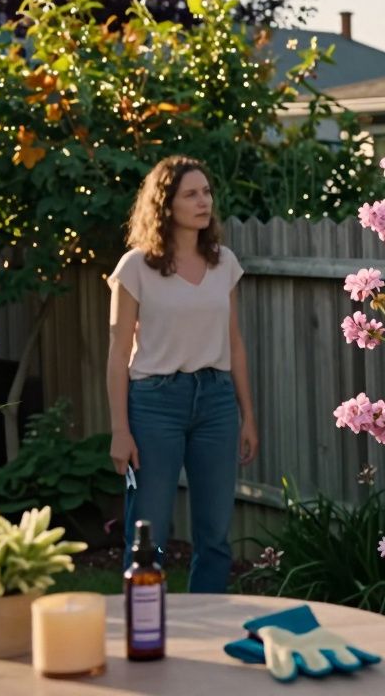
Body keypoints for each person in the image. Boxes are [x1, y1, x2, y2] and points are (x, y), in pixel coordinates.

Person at [106, 155, 259, 594]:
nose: (203, 201)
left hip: (215, 402)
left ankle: (205, 636)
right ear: (164, 204)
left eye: (207, 192)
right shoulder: (135, 267)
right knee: (147, 534)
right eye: (190, 194)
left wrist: (247, 414)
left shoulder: (223, 262)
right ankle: (144, 630)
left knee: (214, 535)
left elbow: (234, 344)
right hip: (154, 404)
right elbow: (118, 354)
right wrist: (120, 430)